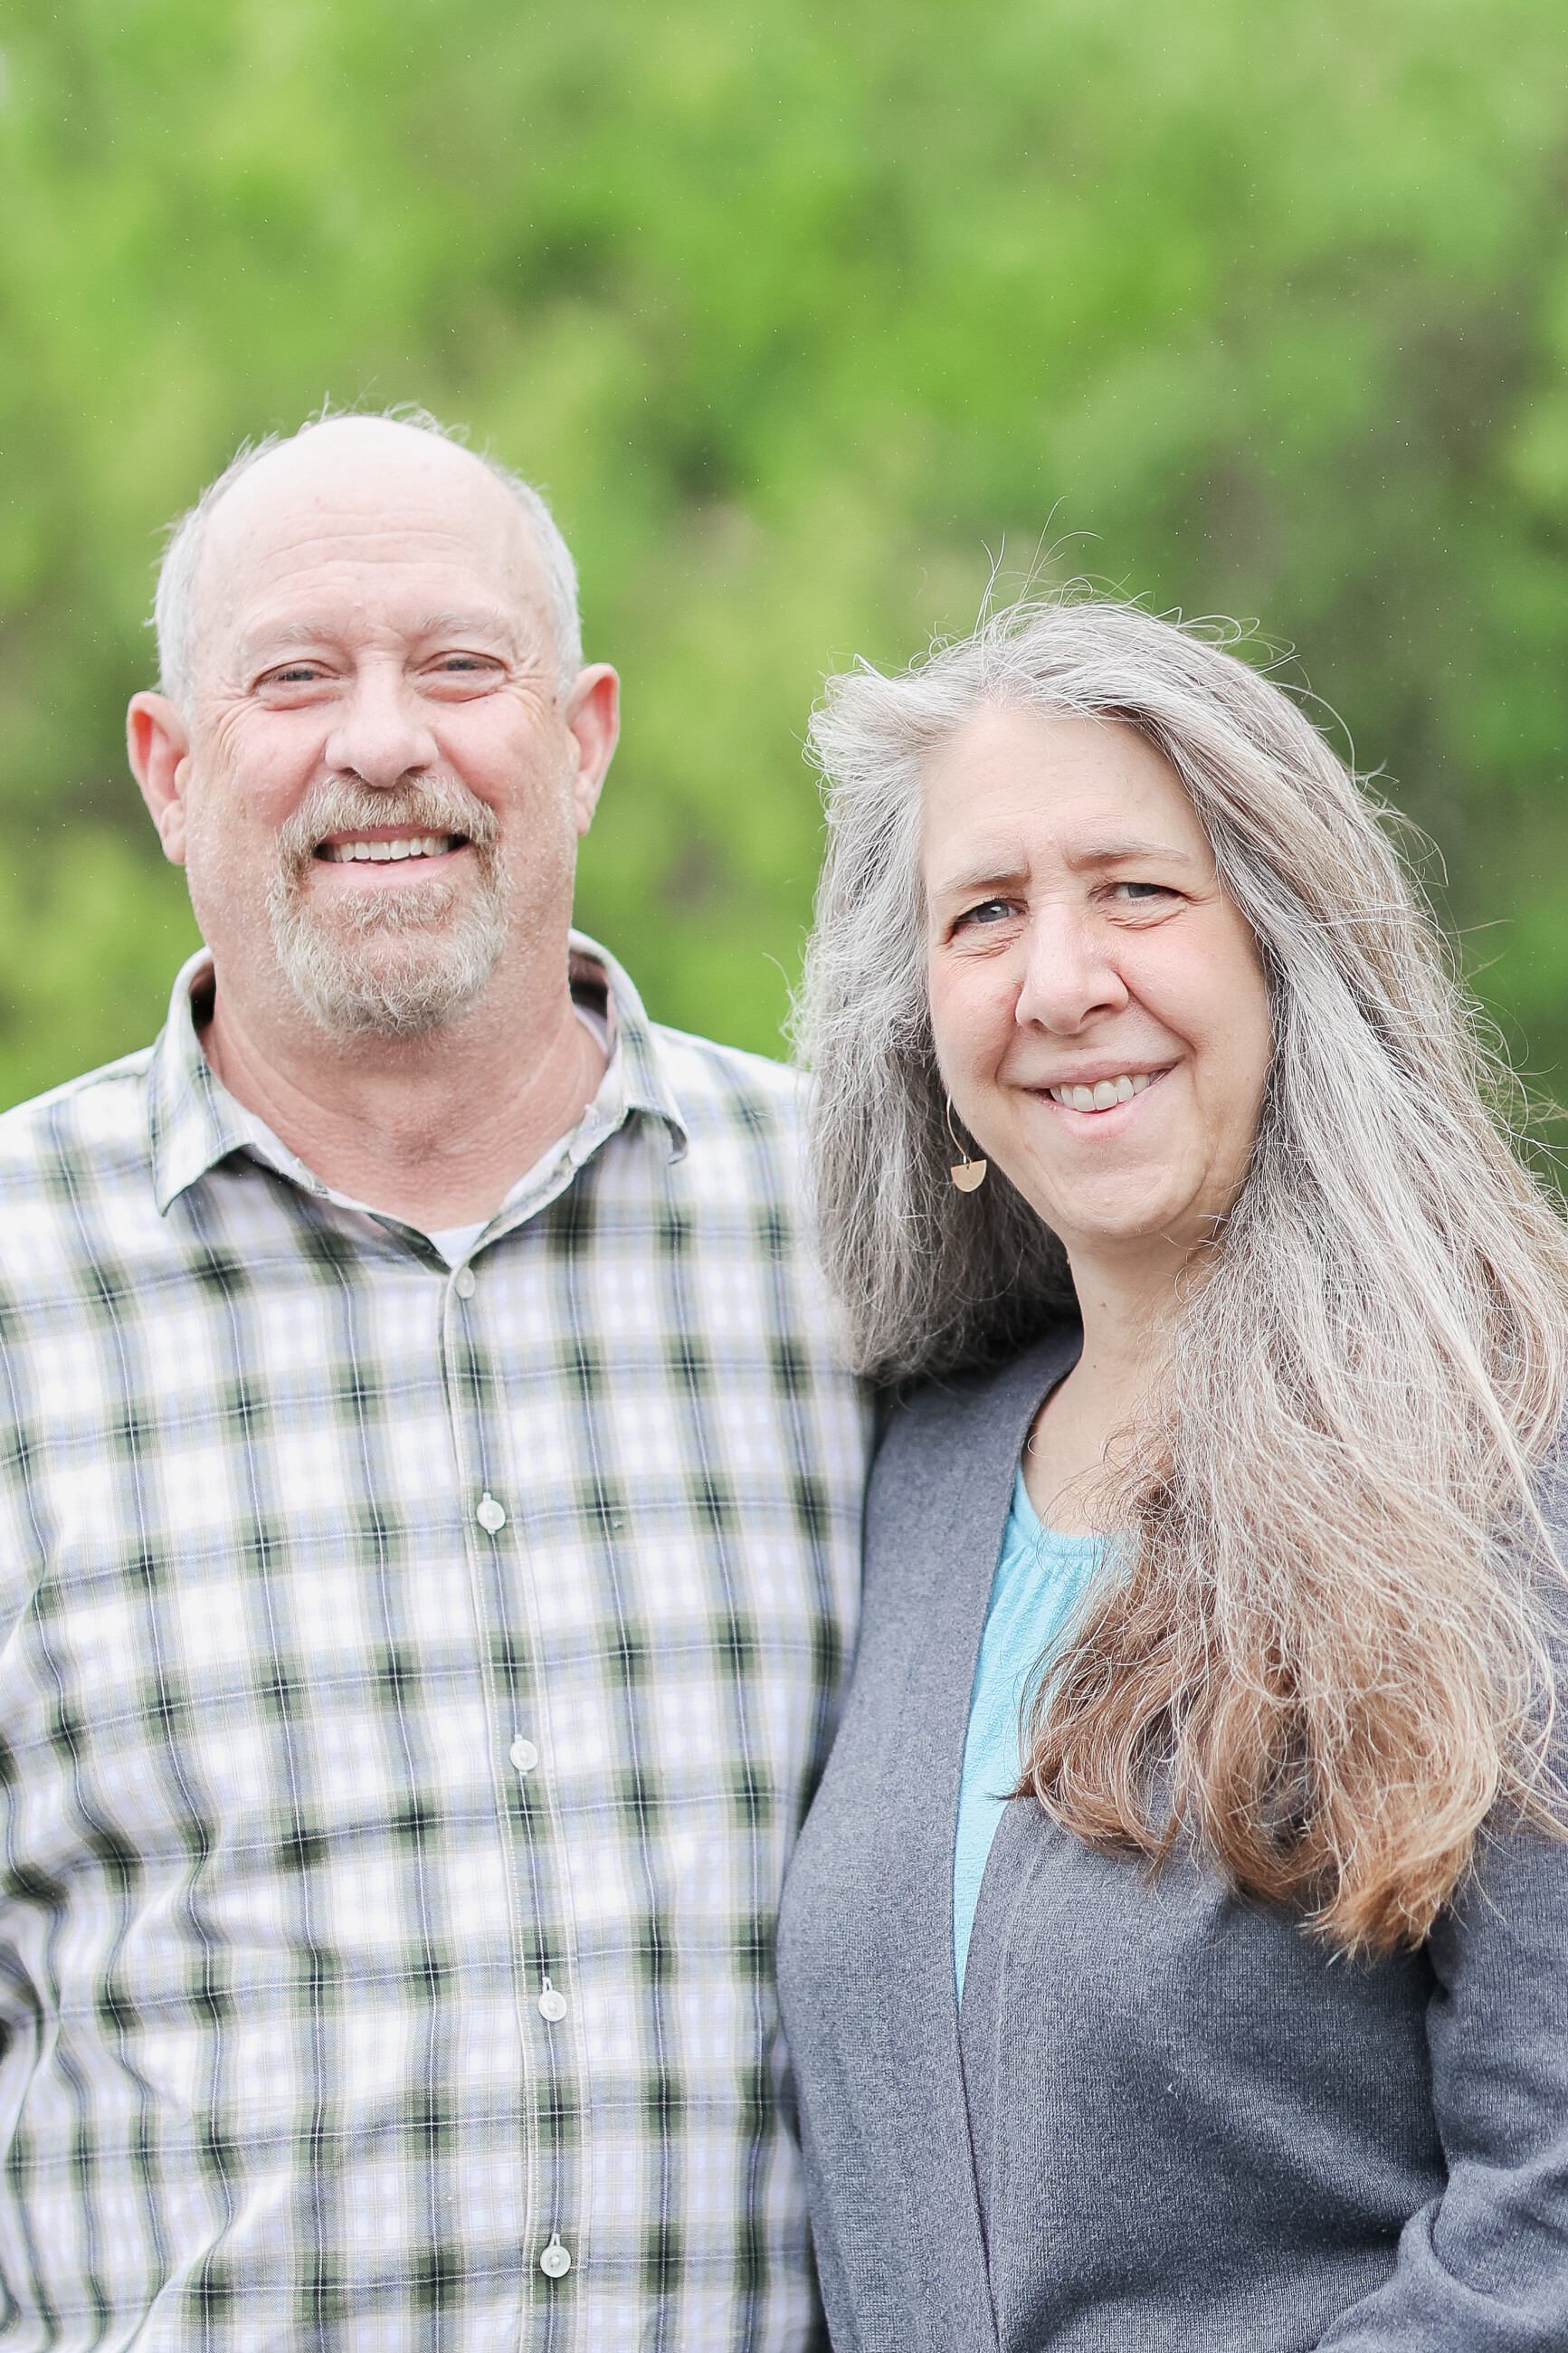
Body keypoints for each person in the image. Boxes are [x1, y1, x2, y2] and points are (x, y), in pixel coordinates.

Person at [0, 407, 867, 2349]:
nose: (381, 740)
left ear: (583, 736)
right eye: (296, 677)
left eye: (460, 667)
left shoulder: (872, 1238)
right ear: (169, 766)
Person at [776, 598, 1568, 2351]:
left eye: (1136, 888)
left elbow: (1551, 2214)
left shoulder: (1506, 1450)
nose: (1062, 982)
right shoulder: (921, 1477)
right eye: (986, 914)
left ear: (1283, 946)